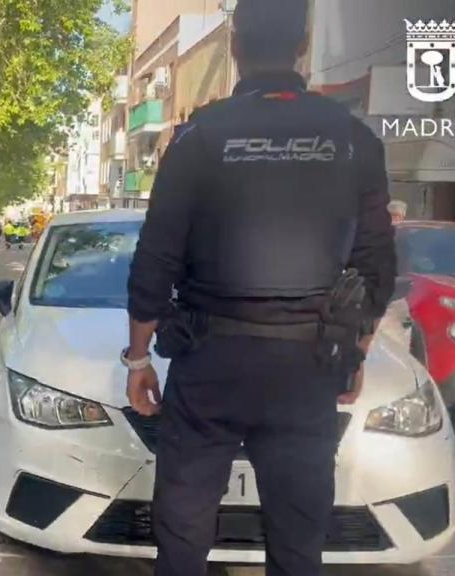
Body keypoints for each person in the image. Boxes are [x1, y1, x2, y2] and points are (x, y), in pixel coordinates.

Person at [122, 1, 396, 575]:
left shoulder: (197, 136)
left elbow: (156, 258)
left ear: (236, 47)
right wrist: (358, 351)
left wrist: (138, 358)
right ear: (301, 45)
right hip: (307, 368)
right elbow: (376, 265)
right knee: (299, 545)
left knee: (183, 536)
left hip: (208, 365)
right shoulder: (354, 139)